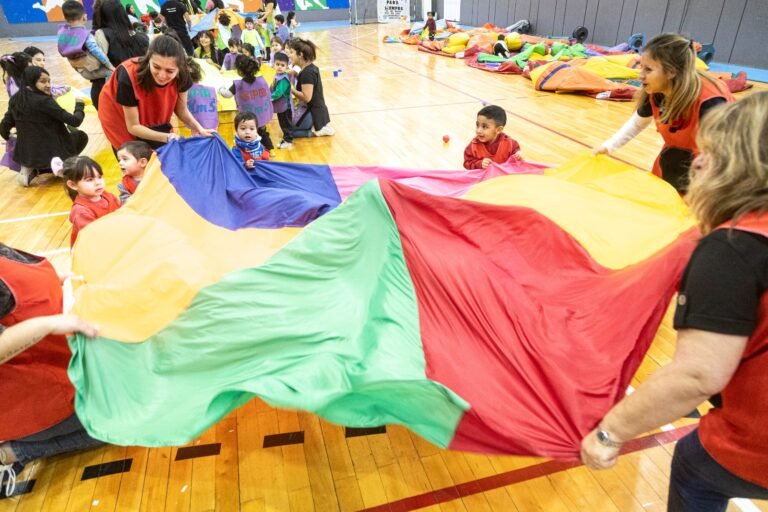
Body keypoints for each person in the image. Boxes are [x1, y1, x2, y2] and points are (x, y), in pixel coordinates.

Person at [581, 91, 768, 512]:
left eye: (713, 154)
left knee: (694, 464)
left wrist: (610, 431)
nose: (697, 162)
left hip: (758, 441)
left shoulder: (733, 249)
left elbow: (698, 375)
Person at [0, 244, 102, 497]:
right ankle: (10, 453)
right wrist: (48, 324)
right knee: (114, 422)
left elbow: (21, 279)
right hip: (25, 393)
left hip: (55, 362)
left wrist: (60, 281)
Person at [595, 33, 733, 194]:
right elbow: (636, 124)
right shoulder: (656, 91)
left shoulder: (710, 103)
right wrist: (607, 147)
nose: (640, 75)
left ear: (671, 72)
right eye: (641, 68)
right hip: (675, 158)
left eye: (648, 70)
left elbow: (727, 156)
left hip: (713, 167)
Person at [98, 35, 215, 150]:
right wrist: (167, 137)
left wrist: (200, 129)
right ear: (149, 60)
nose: (162, 75)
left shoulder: (183, 76)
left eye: (170, 71)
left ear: (179, 68)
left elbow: (181, 109)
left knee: (164, 151)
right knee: (136, 158)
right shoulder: (128, 75)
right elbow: (133, 126)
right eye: (156, 67)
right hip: (119, 115)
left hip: (151, 109)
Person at [0, 66, 88, 187]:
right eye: (43, 81)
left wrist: (12, 140)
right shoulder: (44, 101)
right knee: (80, 135)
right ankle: (57, 167)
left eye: (48, 81)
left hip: (26, 154)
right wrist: (79, 105)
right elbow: (75, 121)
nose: (48, 85)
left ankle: (31, 168)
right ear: (31, 81)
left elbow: (4, 127)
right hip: (51, 152)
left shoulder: (16, 99)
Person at [57, 0, 115, 109]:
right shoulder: (85, 35)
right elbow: (95, 50)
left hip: (81, 71)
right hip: (92, 69)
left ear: (65, 18)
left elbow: (63, 52)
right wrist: (109, 65)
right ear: (85, 17)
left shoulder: (62, 34)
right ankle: (109, 97)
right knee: (111, 72)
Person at [56, 156, 121, 246]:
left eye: (99, 177)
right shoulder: (81, 211)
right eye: (90, 180)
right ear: (73, 185)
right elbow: (94, 238)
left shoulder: (107, 195)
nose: (98, 182)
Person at [221, 55, 274, 151]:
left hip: (248, 116)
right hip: (261, 113)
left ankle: (250, 150)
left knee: (247, 132)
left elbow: (226, 94)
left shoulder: (238, 84)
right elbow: (268, 95)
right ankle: (270, 149)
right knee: (262, 131)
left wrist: (221, 89)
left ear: (239, 71)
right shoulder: (261, 81)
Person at [285, 38, 334, 137]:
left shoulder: (307, 73)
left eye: (291, 52)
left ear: (300, 55)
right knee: (286, 125)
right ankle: (318, 127)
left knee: (288, 131)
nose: (289, 55)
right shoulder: (308, 68)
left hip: (313, 113)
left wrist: (291, 89)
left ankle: (315, 131)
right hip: (316, 111)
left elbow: (307, 97)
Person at [93, 0, 149, 78]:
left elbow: (97, 64)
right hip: (139, 79)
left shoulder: (102, 34)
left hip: (121, 81)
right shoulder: (135, 33)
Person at [463, 105, 521, 169]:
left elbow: (516, 154)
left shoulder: (510, 143)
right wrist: (479, 164)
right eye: (477, 125)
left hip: (502, 178)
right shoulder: (473, 145)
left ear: (498, 130)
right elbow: (467, 163)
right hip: (484, 178)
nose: (478, 130)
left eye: (484, 127)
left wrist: (519, 155)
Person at [271, 52, 293, 149]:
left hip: (285, 107)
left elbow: (278, 93)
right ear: (273, 64)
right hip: (281, 107)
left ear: (286, 67)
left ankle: (288, 140)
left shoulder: (283, 78)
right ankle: (286, 138)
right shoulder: (276, 76)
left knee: (285, 124)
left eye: (282, 65)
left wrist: (268, 98)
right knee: (282, 123)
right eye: (278, 64)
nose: (280, 67)